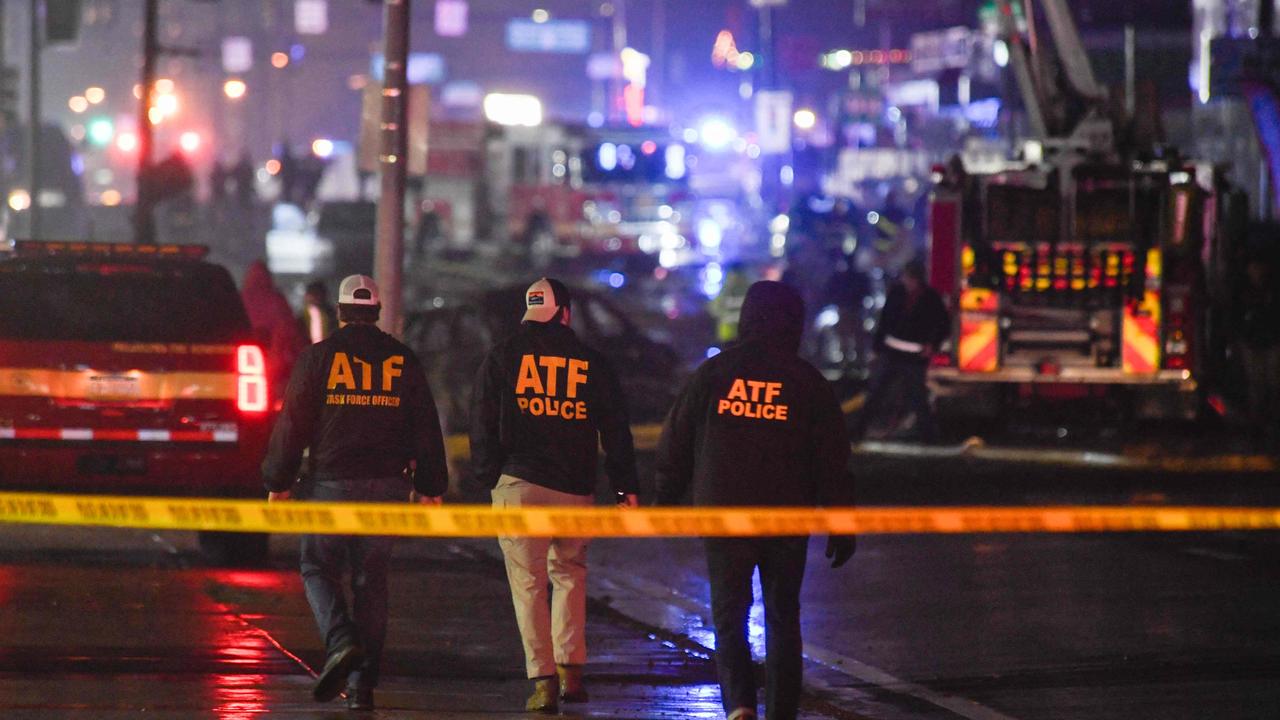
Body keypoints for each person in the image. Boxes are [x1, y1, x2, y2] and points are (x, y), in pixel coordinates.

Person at [654, 281, 855, 720]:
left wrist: (664, 498)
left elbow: (676, 441)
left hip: (723, 513)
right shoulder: (807, 382)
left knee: (730, 614)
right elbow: (832, 458)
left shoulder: (714, 374)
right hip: (785, 516)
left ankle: (740, 706)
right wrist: (840, 520)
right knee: (783, 616)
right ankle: (781, 712)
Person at [262, 274, 449, 712]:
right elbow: (425, 425)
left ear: (341, 313)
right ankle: (362, 689)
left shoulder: (318, 359)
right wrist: (431, 486)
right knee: (371, 582)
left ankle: (341, 641)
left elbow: (293, 427)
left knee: (317, 568)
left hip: (330, 484)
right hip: (387, 486)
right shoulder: (403, 360)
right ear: (377, 311)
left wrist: (278, 481)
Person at [469, 277, 639, 714]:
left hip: (519, 485)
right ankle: (572, 675)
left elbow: (482, 425)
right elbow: (615, 430)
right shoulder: (590, 361)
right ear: (565, 312)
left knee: (528, 585)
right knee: (570, 575)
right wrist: (625, 488)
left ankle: (542, 682)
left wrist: (489, 477)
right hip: (574, 490)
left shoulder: (502, 357)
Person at [852, 259, 950, 443]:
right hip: (891, 352)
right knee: (875, 394)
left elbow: (943, 324)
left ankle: (928, 437)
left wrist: (932, 345)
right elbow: (885, 321)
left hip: (914, 356)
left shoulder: (930, 298)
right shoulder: (897, 293)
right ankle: (857, 432)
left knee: (917, 398)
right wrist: (876, 348)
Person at [240, 260, 308, 403]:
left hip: (245, 356)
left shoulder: (241, 299)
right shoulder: (277, 299)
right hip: (275, 354)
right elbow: (289, 328)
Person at [1239, 253, 1280, 445]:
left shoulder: (1272, 291)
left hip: (1270, 343)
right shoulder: (1245, 293)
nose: (1256, 272)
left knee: (1272, 384)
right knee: (1256, 385)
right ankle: (1257, 425)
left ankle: (1270, 424)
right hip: (1253, 344)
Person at [298, 280, 338, 344]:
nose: (316, 297)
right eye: (313, 294)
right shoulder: (302, 318)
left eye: (317, 294)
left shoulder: (334, 316)